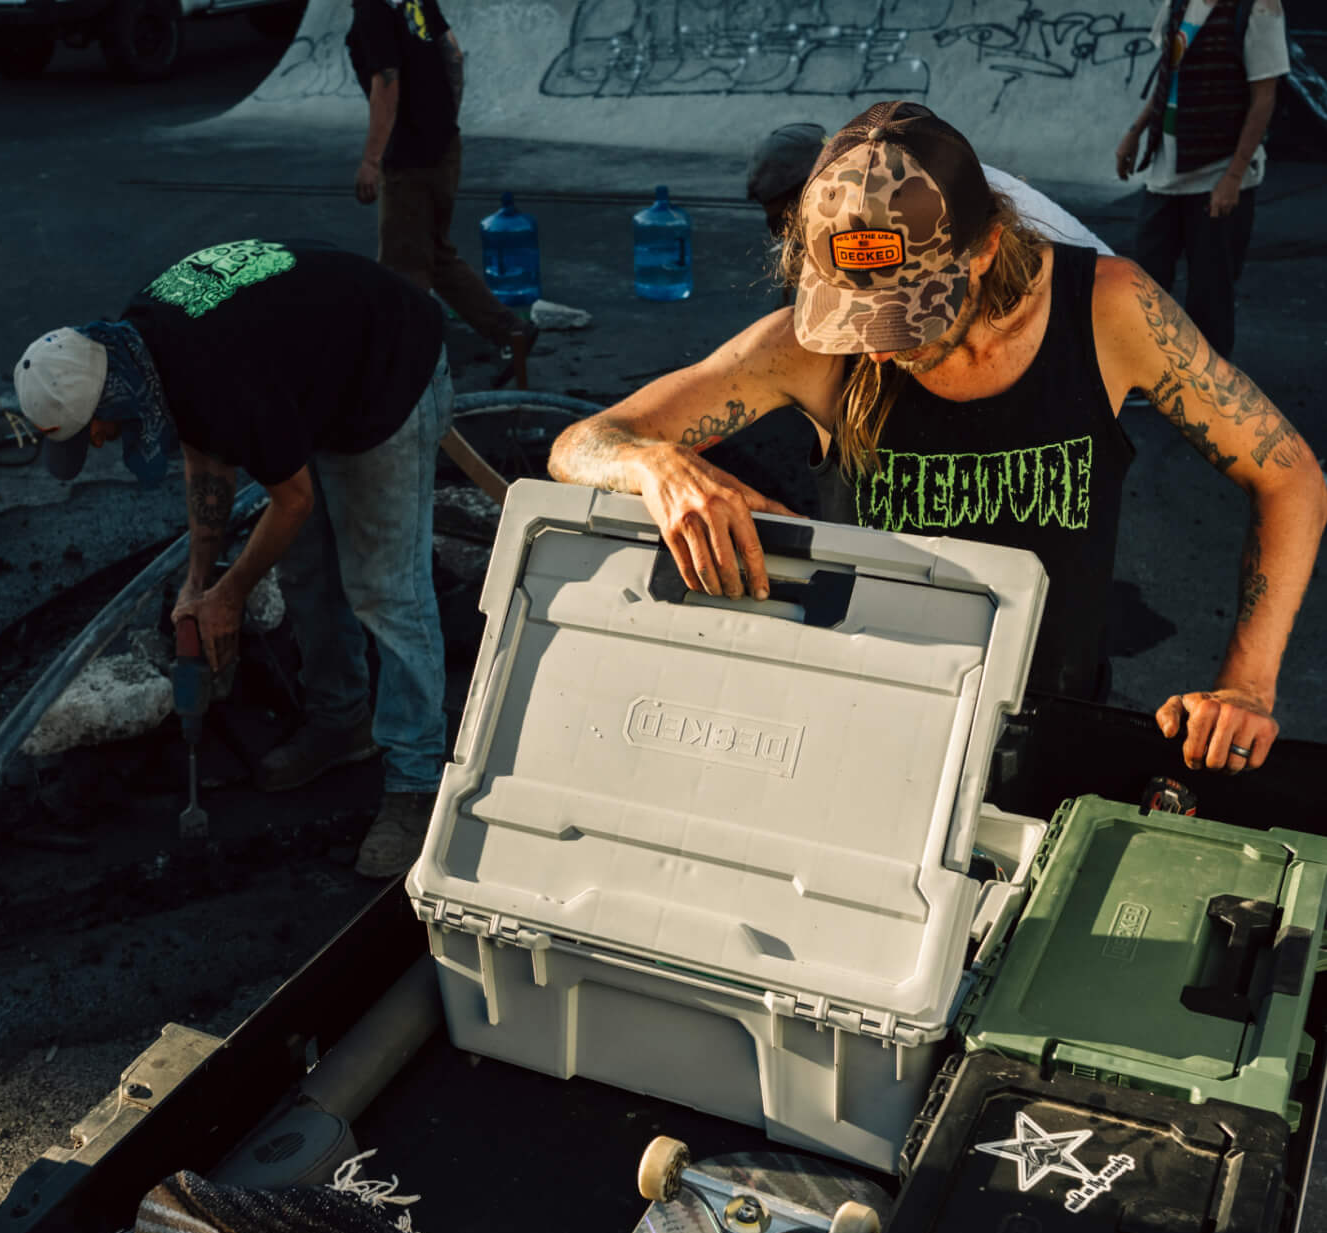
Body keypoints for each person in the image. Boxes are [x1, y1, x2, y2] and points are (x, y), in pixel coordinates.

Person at [550, 101, 1325, 772]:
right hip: (862, 728)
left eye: (908, 314)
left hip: (1053, 725)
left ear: (984, 246)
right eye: (858, 315)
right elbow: (581, 443)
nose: (879, 347)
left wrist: (1246, 685)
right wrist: (657, 465)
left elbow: (1288, 474)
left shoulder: (1107, 311)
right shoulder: (807, 348)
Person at [14, 239, 452, 877]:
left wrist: (232, 592)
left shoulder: (211, 370)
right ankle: (340, 722)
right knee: (306, 572)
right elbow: (207, 460)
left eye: (97, 431)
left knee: (385, 588)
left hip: (390, 373)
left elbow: (292, 499)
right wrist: (198, 584)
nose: (103, 442)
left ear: (111, 399)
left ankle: (417, 786)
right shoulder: (137, 350)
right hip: (316, 378)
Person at [323, 0, 538, 383]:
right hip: (444, 147)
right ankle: (510, 333)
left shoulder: (373, 7)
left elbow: (387, 81)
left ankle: (409, 376)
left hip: (410, 158)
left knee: (402, 270)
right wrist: (444, 118)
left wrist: (370, 160)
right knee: (436, 255)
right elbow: (454, 56)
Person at [1114, 0, 1286, 359]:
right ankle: (1149, 373)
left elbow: (1264, 97)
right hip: (1168, 167)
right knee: (1147, 276)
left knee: (1210, 291)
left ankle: (1211, 395)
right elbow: (1168, 73)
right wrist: (1135, 130)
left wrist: (1233, 177)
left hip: (1217, 172)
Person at [747, 120, 1110, 255]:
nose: (787, 237)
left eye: (784, 223)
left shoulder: (901, 196)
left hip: (1088, 299)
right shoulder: (880, 171)